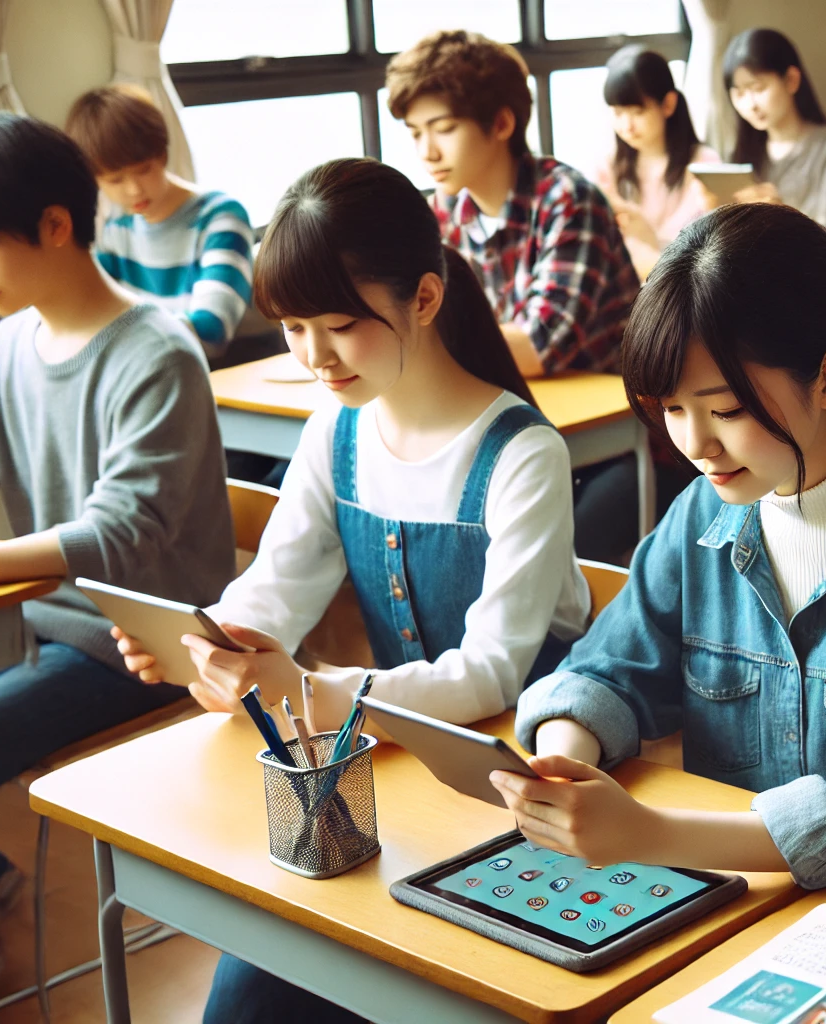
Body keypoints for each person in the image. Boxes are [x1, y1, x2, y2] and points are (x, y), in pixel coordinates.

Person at [113, 158, 593, 1023]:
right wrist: (215, 638)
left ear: (425, 298)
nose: (312, 355)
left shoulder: (524, 454)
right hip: (391, 777)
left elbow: (490, 675)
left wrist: (309, 691)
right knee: (246, 993)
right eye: (292, 327)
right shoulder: (336, 429)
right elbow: (277, 586)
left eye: (337, 323)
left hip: (525, 795)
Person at [498, 203, 826, 893]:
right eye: (673, 410)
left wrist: (651, 833)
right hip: (742, 899)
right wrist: (564, 768)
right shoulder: (702, 515)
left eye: (727, 410)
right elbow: (608, 668)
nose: (694, 444)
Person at [0, 113, 232, 1012]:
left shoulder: (156, 351)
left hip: (140, 650)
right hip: (36, 631)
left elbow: (116, 535)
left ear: (54, 225)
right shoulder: (10, 346)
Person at [386, 29, 647, 564]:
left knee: (534, 559)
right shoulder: (447, 210)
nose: (426, 151)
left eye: (444, 129)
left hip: (618, 438)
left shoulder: (565, 199)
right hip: (513, 420)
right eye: (414, 133)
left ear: (502, 124)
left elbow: (539, 345)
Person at [65, 83, 254, 360]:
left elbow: (212, 329)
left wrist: (111, 336)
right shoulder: (116, 225)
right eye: (115, 180)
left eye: (143, 170)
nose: (133, 190)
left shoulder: (220, 217)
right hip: (143, 367)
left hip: (217, 375)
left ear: (162, 155)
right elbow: (90, 308)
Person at [592, 44, 719, 277]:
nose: (627, 126)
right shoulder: (607, 169)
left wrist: (645, 235)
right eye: (618, 113)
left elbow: (709, 256)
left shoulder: (704, 165)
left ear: (668, 104)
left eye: (637, 112)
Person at [723, 28, 826, 245]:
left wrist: (782, 214)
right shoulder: (736, 155)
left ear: (791, 80)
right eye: (740, 94)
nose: (751, 105)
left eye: (759, 88)